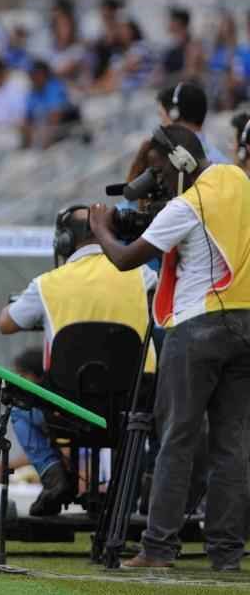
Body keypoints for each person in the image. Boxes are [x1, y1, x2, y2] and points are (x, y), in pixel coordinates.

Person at [89, 124, 250, 571]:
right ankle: (227, 555)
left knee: (177, 438)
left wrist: (102, 228)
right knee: (232, 445)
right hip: (247, 326)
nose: (155, 178)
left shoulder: (187, 206)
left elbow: (124, 260)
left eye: (158, 168)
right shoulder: (237, 182)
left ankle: (158, 548)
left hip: (197, 327)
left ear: (180, 161)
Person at [0, 205, 157, 516]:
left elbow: (5, 324)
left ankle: (55, 475)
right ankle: (136, 490)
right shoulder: (143, 275)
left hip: (67, 409)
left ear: (65, 241)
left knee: (20, 407)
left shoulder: (48, 284)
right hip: (133, 405)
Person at [156, 80, 228, 164]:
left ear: (174, 114)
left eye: (161, 116)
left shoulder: (171, 162)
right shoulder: (220, 160)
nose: (162, 125)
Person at [162, 7, 205, 85]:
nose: (167, 24)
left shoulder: (192, 45)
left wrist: (165, 79)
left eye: (171, 21)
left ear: (178, 22)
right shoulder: (172, 46)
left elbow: (192, 73)